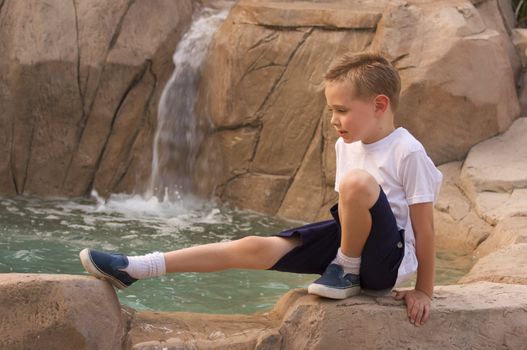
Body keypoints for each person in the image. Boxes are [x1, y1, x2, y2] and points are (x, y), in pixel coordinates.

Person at [80, 52, 442, 327]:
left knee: (356, 184)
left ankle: (344, 270)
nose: (333, 120)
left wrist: (423, 290)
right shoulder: (345, 145)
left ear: (379, 105)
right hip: (353, 243)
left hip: (386, 263)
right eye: (331, 110)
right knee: (257, 245)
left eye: (342, 110)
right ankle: (138, 268)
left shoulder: (406, 150)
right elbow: (350, 211)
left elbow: (423, 229)